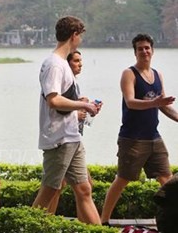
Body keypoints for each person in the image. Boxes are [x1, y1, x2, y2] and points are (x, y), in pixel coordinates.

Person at [101, 33, 178, 225]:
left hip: (154, 137)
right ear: (135, 52)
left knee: (167, 180)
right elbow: (131, 102)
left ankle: (171, 221)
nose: (144, 51)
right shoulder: (129, 74)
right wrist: (155, 102)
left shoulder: (157, 74)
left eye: (147, 48)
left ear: (152, 50)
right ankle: (103, 221)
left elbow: (163, 105)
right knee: (122, 179)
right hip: (132, 138)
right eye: (140, 49)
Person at [32, 16, 102, 225]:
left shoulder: (62, 64)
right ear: (74, 35)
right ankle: (28, 226)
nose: (80, 40)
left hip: (72, 136)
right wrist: (84, 106)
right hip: (59, 138)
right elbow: (53, 99)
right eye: (80, 36)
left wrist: (80, 101)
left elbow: (62, 97)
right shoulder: (54, 64)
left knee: (84, 188)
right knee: (50, 189)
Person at [47, 50, 96, 214]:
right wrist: (79, 110)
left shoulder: (73, 84)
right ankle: (45, 223)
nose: (80, 64)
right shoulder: (60, 82)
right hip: (62, 140)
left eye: (80, 61)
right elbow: (56, 109)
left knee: (83, 188)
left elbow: (74, 112)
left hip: (74, 139)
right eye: (76, 61)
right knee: (56, 188)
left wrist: (85, 106)